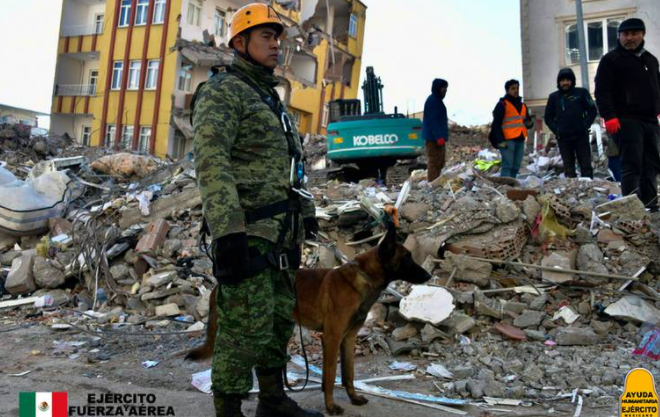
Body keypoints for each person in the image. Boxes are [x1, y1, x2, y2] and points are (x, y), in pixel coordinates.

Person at [192, 4, 321, 417]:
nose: (276, 44)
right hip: (248, 232)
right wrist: (227, 232)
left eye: (278, 36)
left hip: (282, 232)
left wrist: (306, 213)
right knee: (242, 329)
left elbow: (290, 164)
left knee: (279, 320)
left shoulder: (270, 97)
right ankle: (228, 409)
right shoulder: (223, 91)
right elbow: (213, 163)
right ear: (240, 42)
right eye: (266, 36)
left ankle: (272, 400)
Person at [595, 18, 660, 211]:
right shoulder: (611, 60)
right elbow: (602, 91)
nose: (630, 38)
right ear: (619, 36)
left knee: (652, 164)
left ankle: (650, 204)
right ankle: (631, 206)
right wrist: (610, 116)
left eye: (634, 34)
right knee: (632, 163)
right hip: (626, 119)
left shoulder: (650, 60)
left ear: (642, 35)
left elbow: (657, 87)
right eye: (625, 34)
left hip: (649, 120)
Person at [544, 68, 598, 178]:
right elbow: (548, 117)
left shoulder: (581, 93)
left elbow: (592, 110)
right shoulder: (554, 97)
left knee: (586, 165)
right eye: (562, 80)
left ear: (572, 81)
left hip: (581, 136)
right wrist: (557, 130)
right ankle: (573, 192)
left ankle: (588, 190)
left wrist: (585, 125)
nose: (565, 83)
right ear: (559, 82)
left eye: (568, 80)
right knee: (569, 168)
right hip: (564, 138)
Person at [489, 79, 534, 178]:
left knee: (516, 166)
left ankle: (512, 186)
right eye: (513, 88)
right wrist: (500, 140)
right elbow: (496, 124)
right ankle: (506, 188)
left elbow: (526, 122)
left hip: (520, 139)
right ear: (507, 90)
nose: (516, 90)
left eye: (517, 88)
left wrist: (529, 123)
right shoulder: (502, 105)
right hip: (507, 140)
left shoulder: (523, 106)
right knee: (507, 165)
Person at [422, 78, 449, 182]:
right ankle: (433, 183)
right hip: (433, 138)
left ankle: (436, 181)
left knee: (440, 162)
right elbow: (432, 121)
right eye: (443, 88)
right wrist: (438, 137)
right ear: (438, 88)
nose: (445, 91)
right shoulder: (432, 101)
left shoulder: (437, 101)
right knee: (434, 162)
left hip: (438, 137)